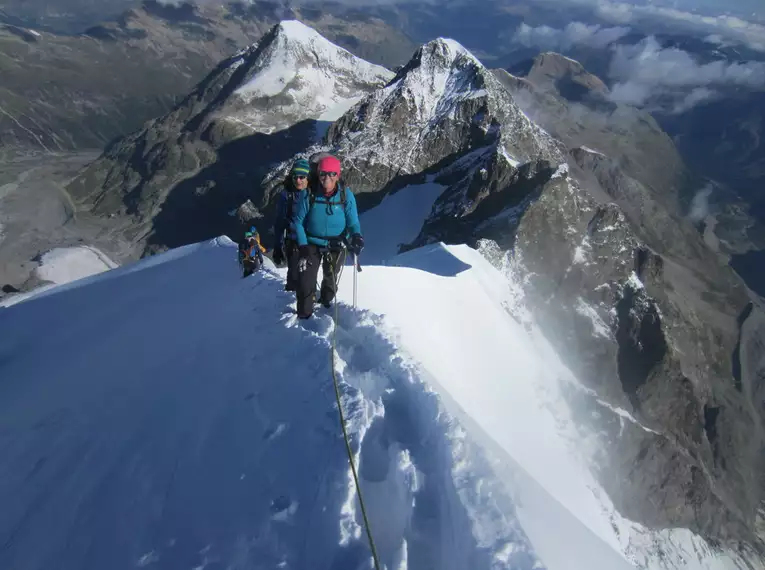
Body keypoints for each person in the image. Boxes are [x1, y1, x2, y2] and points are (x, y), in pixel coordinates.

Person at [293, 155, 364, 319]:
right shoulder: (308, 194)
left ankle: (325, 301)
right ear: (318, 175)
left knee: (331, 278)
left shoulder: (346, 196)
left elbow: (353, 222)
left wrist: (357, 236)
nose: (327, 178)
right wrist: (303, 246)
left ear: (338, 175)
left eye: (332, 174)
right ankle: (304, 316)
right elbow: (298, 222)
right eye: (323, 173)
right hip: (311, 243)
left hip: (336, 243)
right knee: (305, 280)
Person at [272, 158, 310, 291]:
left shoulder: (314, 195)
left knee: (308, 277)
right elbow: (279, 222)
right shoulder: (286, 196)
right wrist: (278, 246)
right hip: (293, 242)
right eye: (295, 177)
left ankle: (306, 301)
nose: (298, 180)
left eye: (302, 177)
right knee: (295, 275)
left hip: (312, 242)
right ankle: (291, 300)